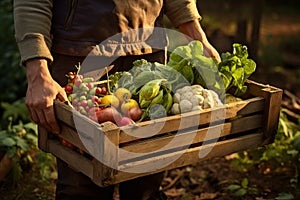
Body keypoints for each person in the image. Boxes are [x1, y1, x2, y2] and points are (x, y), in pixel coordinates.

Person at [14, 0, 221, 199]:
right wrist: (37, 72)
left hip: (149, 53)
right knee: (83, 182)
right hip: (81, 55)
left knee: (146, 175)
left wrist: (197, 37)